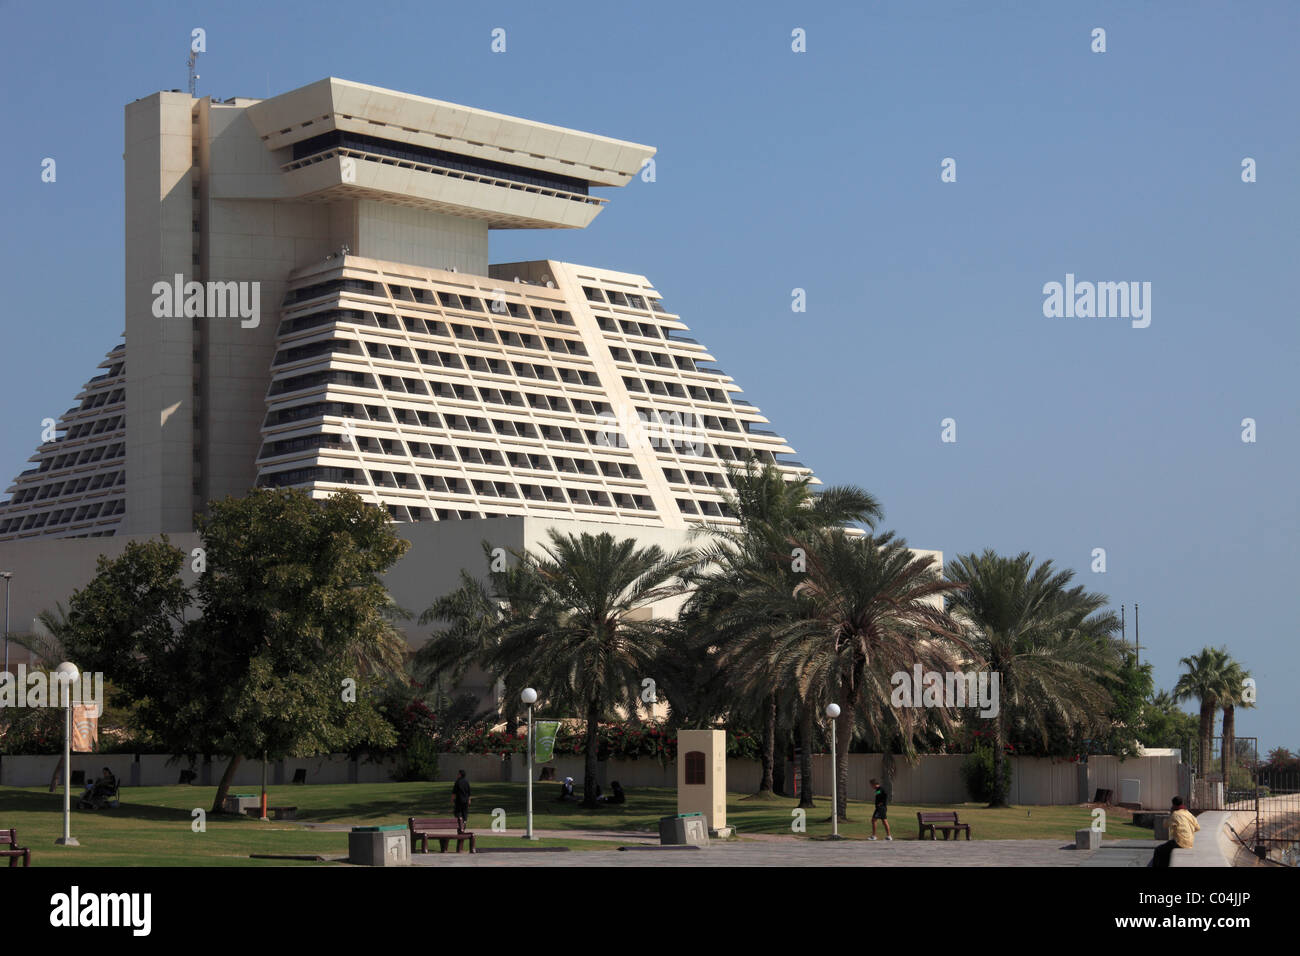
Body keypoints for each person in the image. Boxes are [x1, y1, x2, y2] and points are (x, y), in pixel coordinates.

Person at [1153, 796, 1199, 867]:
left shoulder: (1175, 814)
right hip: (1190, 843)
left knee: (1158, 850)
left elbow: (1165, 825)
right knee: (1167, 852)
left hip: (1179, 842)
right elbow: (1197, 828)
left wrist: (1171, 813)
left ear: (1173, 805)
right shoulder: (1188, 813)